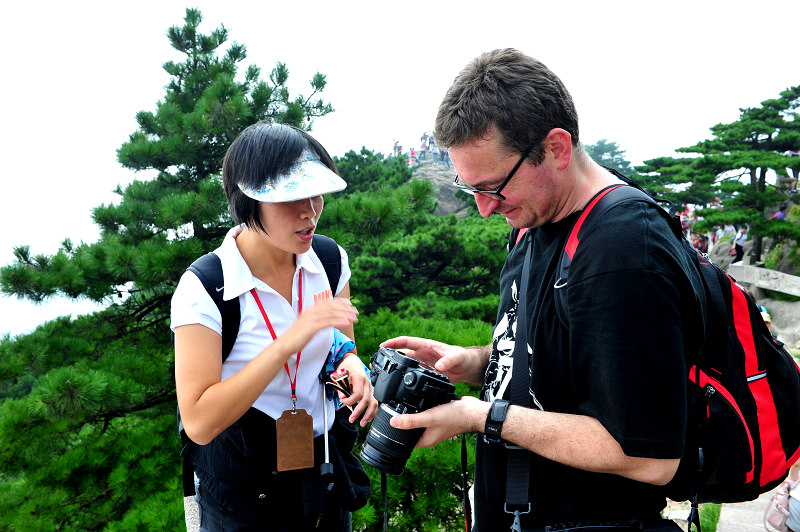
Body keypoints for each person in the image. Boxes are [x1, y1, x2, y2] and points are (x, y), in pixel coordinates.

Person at [381, 48, 704, 531]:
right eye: (471, 190)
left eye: (493, 186)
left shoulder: (621, 251)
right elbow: (562, 355)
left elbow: (647, 456)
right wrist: (474, 363)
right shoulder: (534, 221)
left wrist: (482, 417)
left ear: (556, 148)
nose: (486, 210)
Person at [171, 122, 378, 531]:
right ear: (248, 201)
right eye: (290, 198)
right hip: (244, 495)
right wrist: (288, 342)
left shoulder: (329, 261)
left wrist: (352, 367)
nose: (310, 211)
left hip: (322, 475)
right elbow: (198, 421)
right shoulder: (206, 288)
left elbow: (340, 348)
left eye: (314, 193)